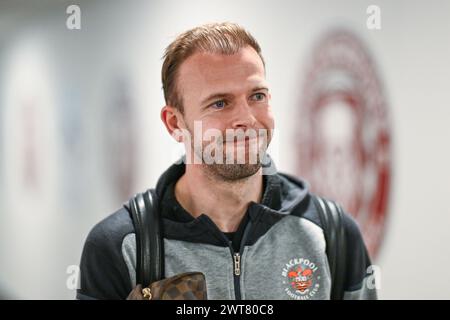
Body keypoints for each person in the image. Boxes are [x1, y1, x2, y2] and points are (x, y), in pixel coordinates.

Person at [77, 22, 377, 300]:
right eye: (219, 103)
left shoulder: (331, 233)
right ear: (174, 123)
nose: (246, 119)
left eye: (257, 96)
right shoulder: (123, 246)